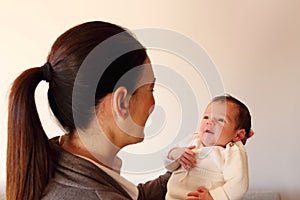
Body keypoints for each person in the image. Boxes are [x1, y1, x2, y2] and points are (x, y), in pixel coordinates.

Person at [6, 21, 171, 200]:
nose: (152, 103)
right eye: (150, 89)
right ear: (122, 102)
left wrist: (182, 172)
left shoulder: (53, 160)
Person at [164, 95, 253, 200]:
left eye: (221, 120)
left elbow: (239, 183)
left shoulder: (231, 151)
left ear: (238, 135)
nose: (209, 122)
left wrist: (213, 197)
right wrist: (174, 154)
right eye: (206, 117)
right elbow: (169, 166)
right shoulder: (192, 140)